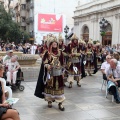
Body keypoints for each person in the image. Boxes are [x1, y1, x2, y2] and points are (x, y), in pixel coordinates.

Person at [35, 34, 65, 111]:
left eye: (56, 43)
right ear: (51, 44)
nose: (55, 44)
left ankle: (60, 103)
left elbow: (62, 62)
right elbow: (44, 62)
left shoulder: (60, 52)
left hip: (58, 73)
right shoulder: (47, 53)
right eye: (53, 43)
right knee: (50, 87)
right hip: (50, 73)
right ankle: (49, 100)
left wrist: (63, 71)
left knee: (59, 87)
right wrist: (47, 65)